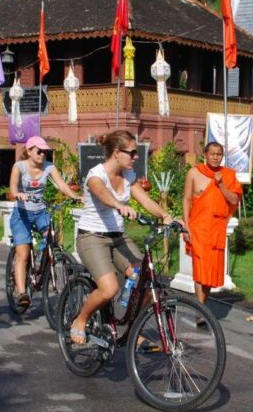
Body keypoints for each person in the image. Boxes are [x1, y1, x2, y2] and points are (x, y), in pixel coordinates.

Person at [68, 130, 174, 345]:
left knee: (144, 279)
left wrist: (166, 216)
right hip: (92, 237)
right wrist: (118, 205)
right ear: (117, 153)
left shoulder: (128, 176)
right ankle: (80, 320)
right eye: (132, 152)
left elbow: (144, 200)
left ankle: (133, 330)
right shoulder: (95, 175)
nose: (136, 156)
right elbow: (102, 193)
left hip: (118, 237)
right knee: (109, 288)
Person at [8, 136, 82, 310]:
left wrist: (75, 196)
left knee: (52, 238)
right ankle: (21, 291)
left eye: (45, 151)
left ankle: (42, 261)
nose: (42, 154)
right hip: (22, 214)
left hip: (41, 211)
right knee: (23, 254)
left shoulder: (49, 166)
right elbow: (12, 185)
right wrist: (17, 193)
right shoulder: (19, 167)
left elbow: (62, 185)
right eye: (39, 151)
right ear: (29, 151)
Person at [182, 142, 242, 306]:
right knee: (200, 267)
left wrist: (221, 184)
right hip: (198, 228)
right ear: (205, 155)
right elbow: (186, 200)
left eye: (219, 154)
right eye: (212, 154)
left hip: (216, 229)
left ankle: (203, 305)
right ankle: (201, 309)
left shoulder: (228, 175)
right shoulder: (194, 173)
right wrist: (185, 226)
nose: (215, 157)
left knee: (210, 271)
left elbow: (234, 200)